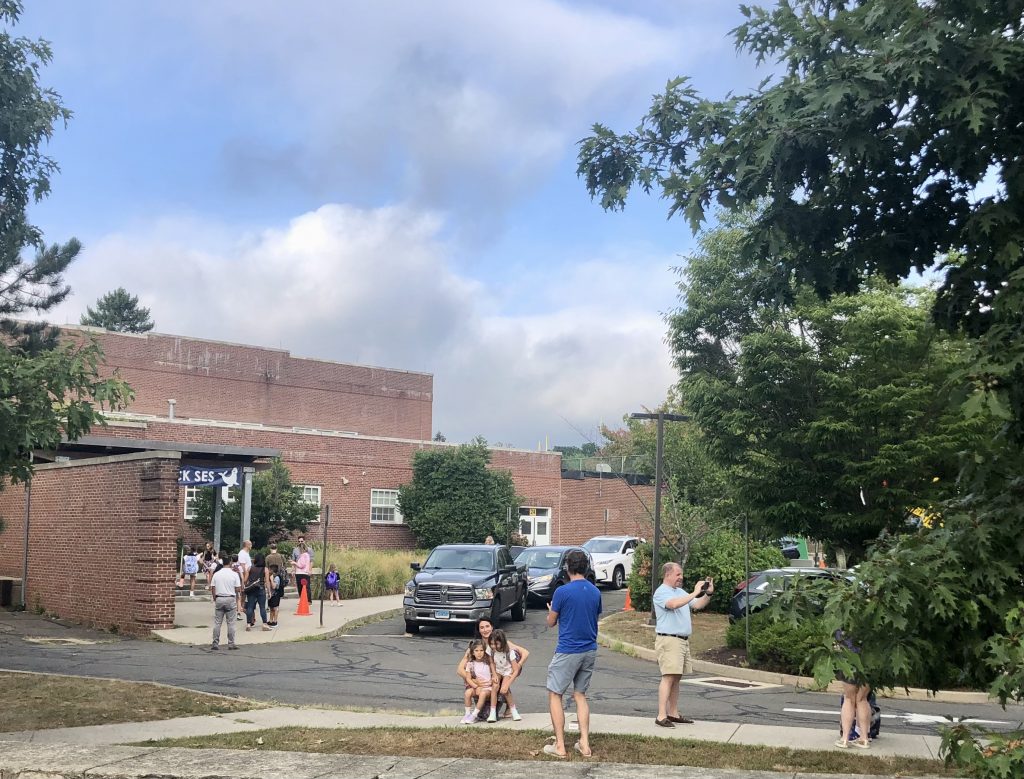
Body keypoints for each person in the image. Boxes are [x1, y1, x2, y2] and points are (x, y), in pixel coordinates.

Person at [543, 549, 601, 758]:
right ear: (586, 568)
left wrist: (552, 610)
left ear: (568, 568)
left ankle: (560, 745)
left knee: (555, 693)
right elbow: (594, 617)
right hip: (589, 649)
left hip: (568, 649)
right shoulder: (595, 591)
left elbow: (551, 622)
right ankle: (584, 743)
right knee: (580, 695)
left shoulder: (562, 592)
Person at [652, 562, 713, 727]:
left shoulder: (680, 592)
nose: (681, 577)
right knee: (668, 677)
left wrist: (708, 594)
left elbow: (697, 604)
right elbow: (673, 605)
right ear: (667, 574)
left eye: (681, 574)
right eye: (678, 574)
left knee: (676, 678)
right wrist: (695, 592)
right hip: (669, 640)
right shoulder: (661, 592)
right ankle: (661, 715)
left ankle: (673, 713)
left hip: (682, 641)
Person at [457, 618, 530, 719]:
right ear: (479, 630)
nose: (485, 630)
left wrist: (518, 665)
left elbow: (525, 652)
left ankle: (509, 705)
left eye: (487, 626)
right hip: (483, 681)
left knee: (514, 656)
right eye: (482, 627)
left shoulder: (501, 642)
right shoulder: (476, 646)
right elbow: (460, 669)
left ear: (492, 627)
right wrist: (474, 682)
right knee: (484, 715)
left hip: (499, 676)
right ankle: (483, 706)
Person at [834, 630, 871, 749]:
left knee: (849, 699)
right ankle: (864, 738)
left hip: (849, 660)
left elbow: (837, 637)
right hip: (870, 662)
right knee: (862, 699)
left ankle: (845, 739)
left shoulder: (844, 624)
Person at [488, 629, 523, 721]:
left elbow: (515, 670)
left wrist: (508, 683)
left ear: (502, 642)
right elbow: (491, 662)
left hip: (508, 671)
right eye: (491, 644)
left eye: (496, 644)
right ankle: (492, 712)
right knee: (495, 686)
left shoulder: (509, 652)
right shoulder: (491, 650)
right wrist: (494, 674)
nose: (493, 646)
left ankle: (513, 710)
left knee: (504, 690)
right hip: (498, 670)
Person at [459, 639, 496, 724]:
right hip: (477, 687)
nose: (479, 653)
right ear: (472, 652)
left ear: (485, 651)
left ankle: (474, 715)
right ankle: (467, 714)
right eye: (476, 650)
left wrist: (492, 679)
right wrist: (476, 687)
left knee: (482, 694)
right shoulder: (470, 664)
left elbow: (493, 674)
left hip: (488, 688)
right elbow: (468, 678)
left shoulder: (488, 663)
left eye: (481, 650)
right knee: (468, 693)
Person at [210, 555, 241, 650]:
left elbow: (213, 587)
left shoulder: (217, 574)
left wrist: (215, 598)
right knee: (231, 623)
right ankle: (231, 643)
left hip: (219, 598)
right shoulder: (234, 574)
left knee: (217, 622)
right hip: (230, 598)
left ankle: (215, 643)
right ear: (230, 562)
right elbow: (238, 588)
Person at [243, 553, 272, 631]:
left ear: (255, 560)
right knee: (262, 607)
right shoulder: (265, 569)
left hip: (251, 590)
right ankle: (264, 624)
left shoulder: (250, 568)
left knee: (250, 607)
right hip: (261, 589)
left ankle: (248, 624)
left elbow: (245, 580)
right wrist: (269, 591)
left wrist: (248, 584)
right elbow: (267, 581)